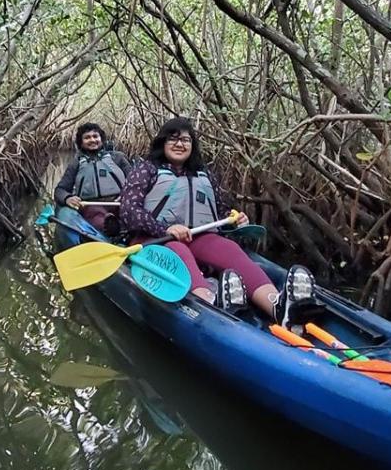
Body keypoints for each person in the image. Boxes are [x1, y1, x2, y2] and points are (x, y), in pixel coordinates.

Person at [119, 117, 315, 328]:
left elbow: (221, 212)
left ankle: (278, 307)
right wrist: (164, 228)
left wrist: (235, 219)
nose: (179, 144)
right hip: (153, 239)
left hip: (198, 235)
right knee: (178, 251)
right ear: (162, 143)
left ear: (192, 145)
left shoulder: (205, 175)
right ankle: (210, 304)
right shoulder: (146, 170)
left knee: (229, 249)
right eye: (173, 139)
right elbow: (129, 211)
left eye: (185, 140)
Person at [54, 123, 132, 235]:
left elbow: (135, 182)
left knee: (129, 211)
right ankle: (109, 228)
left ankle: (124, 229)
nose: (92, 140)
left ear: (101, 139)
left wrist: (126, 195)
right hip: (90, 206)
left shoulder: (118, 157)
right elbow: (60, 190)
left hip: (119, 202)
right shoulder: (76, 163)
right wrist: (68, 198)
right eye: (87, 137)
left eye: (95, 136)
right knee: (96, 215)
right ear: (81, 142)